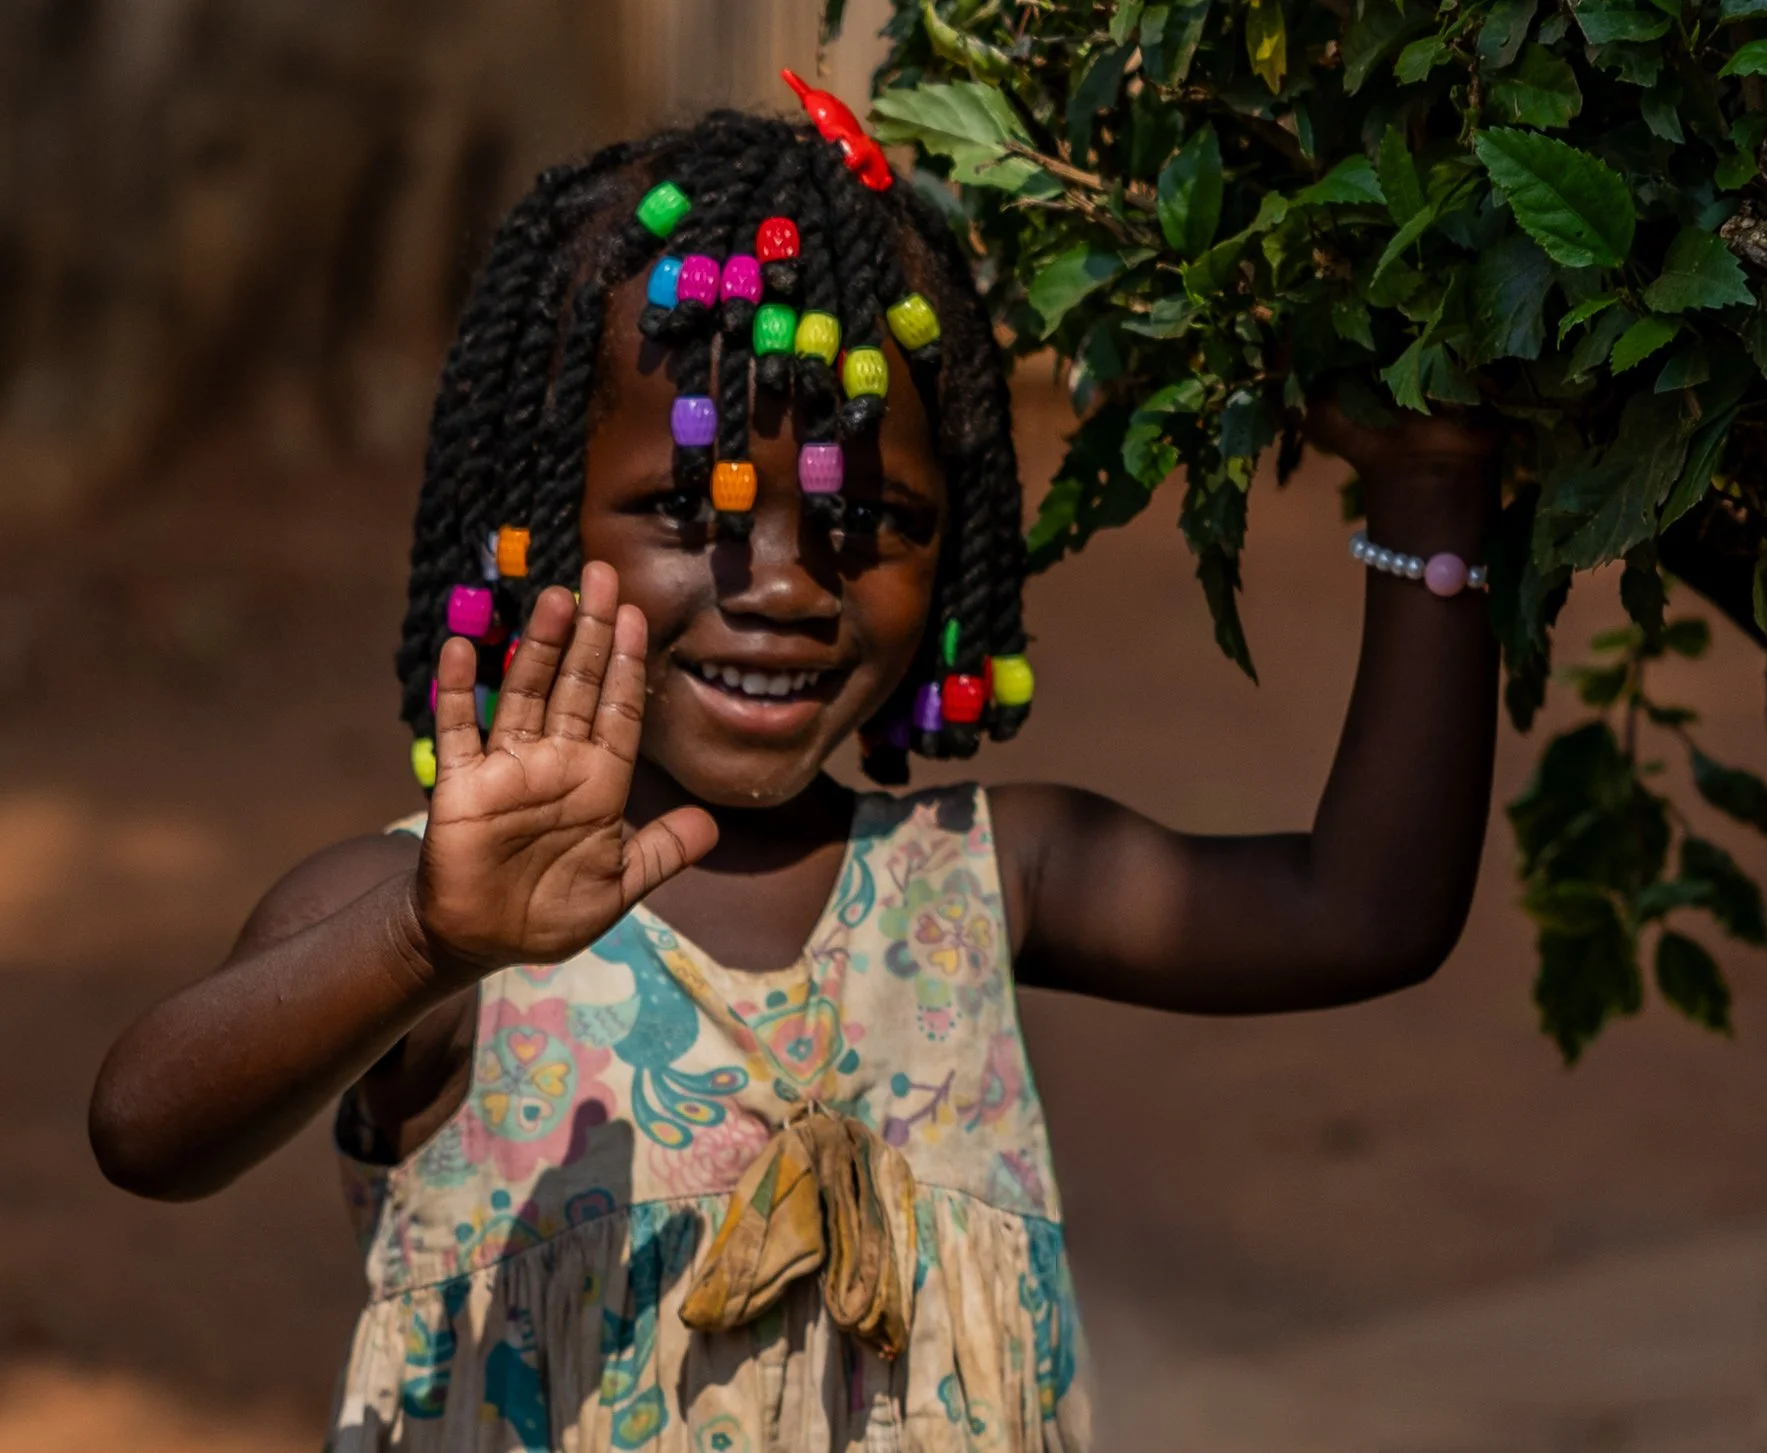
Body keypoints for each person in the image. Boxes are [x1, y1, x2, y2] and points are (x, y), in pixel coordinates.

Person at [88, 91, 1499, 1453]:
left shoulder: (984, 877)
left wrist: (1431, 495)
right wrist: (422, 943)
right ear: (540, 520)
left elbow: (1364, 912)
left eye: (869, 521)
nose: (784, 589)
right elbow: (147, 1132)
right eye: (686, 509)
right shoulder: (438, 918)